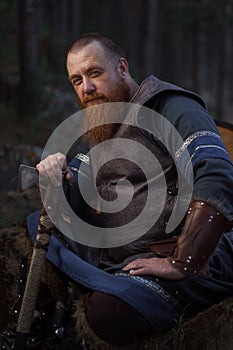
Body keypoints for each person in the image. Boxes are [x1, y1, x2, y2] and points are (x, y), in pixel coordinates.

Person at [3, 32, 233, 349]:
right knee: (32, 229)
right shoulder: (102, 124)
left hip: (190, 257)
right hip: (119, 254)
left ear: (122, 68)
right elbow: (77, 201)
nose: (87, 88)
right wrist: (58, 175)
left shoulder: (172, 106)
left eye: (94, 73)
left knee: (107, 313)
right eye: (76, 80)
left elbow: (217, 173)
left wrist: (182, 261)